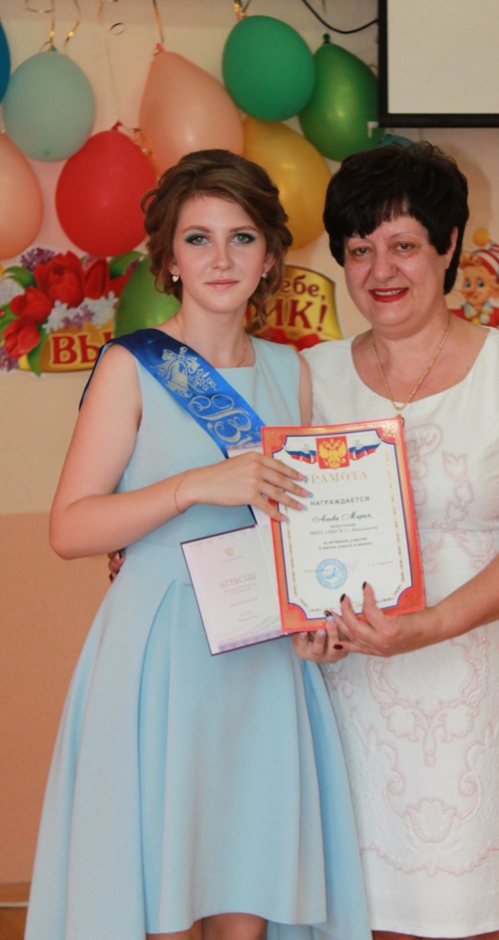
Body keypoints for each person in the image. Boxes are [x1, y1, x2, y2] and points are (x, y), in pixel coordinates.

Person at [25, 150, 371, 940]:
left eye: (241, 238)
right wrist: (190, 488)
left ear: (270, 256)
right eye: (198, 239)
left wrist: (323, 619)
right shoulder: (132, 366)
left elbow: (305, 527)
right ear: (170, 259)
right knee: (159, 901)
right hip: (160, 653)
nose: (221, 259)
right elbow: (69, 528)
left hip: (261, 660)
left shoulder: (293, 373)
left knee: (246, 895)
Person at [296, 142, 499, 940]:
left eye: (403, 245)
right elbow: (285, 526)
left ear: (448, 245)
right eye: (359, 250)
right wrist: (305, 626)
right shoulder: (312, 374)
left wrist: (423, 628)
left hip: (480, 696)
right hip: (357, 699)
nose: (379, 270)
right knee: (370, 915)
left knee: (488, 916)